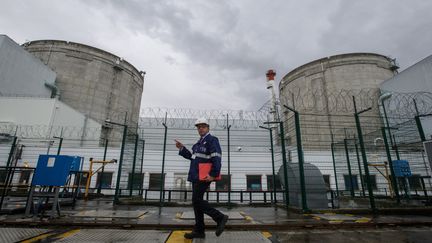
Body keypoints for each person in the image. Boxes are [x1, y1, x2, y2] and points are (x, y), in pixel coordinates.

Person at [175, 117, 229, 239]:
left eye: (203, 126)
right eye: (199, 127)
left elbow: (217, 158)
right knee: (196, 202)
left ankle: (219, 217)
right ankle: (199, 230)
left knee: (197, 201)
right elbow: (193, 158)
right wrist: (182, 149)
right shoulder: (198, 144)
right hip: (195, 176)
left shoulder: (212, 140)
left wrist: (213, 175)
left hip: (205, 176)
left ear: (208, 128)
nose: (200, 129)